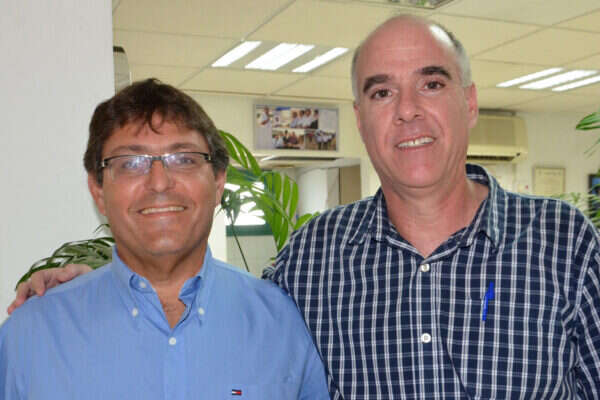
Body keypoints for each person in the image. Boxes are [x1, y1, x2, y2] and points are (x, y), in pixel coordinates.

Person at [9, 15, 600, 399]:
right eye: (382, 91)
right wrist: (89, 292)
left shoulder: (565, 244)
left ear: (469, 103)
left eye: (432, 83)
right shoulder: (314, 259)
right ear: (361, 118)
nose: (408, 110)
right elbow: (207, 299)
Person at [0, 79, 329, 399]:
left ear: (218, 183)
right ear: (98, 191)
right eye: (131, 163)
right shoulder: (30, 336)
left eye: (183, 159)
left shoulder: (282, 325)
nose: (159, 182)